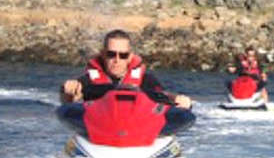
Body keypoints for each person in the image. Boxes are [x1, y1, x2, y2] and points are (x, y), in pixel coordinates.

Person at [60, 29, 192, 109]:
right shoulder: (88, 81)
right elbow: (69, 99)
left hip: (135, 129)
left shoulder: (146, 80)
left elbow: (162, 96)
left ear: (130, 57)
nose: (116, 60)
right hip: (99, 128)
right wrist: (69, 90)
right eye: (111, 54)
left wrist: (177, 100)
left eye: (123, 55)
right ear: (103, 54)